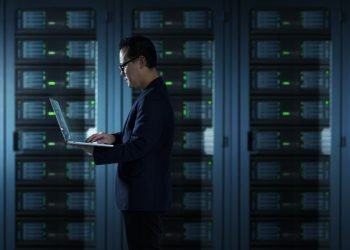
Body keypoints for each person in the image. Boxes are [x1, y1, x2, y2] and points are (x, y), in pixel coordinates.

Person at [77, 36, 175, 250]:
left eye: (123, 66)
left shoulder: (153, 98)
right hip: (143, 198)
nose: (121, 73)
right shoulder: (151, 95)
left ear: (140, 61)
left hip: (144, 200)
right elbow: (142, 135)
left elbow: (140, 146)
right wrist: (113, 138)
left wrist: (96, 152)